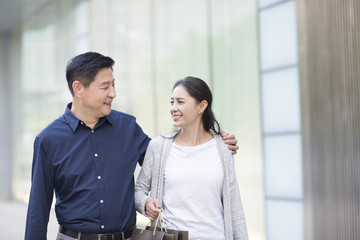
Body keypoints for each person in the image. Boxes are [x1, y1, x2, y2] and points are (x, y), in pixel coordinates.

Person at [25, 52, 239, 240]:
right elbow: (38, 208)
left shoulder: (127, 127)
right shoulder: (49, 139)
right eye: (105, 86)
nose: (113, 93)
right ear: (78, 88)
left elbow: (168, 161)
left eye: (113, 84)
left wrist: (211, 142)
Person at [135, 76, 248, 240]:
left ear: (202, 106)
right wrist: (146, 203)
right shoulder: (158, 146)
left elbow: (234, 204)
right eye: (172, 102)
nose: (173, 108)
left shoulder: (223, 147)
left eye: (180, 102)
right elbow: (139, 190)